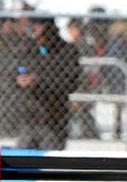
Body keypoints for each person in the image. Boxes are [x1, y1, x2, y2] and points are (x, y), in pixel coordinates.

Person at [14, 16, 82, 149]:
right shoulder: (27, 48)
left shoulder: (66, 51)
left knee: (48, 161)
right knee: (23, 161)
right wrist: (18, 80)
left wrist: (38, 81)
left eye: (40, 26)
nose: (35, 30)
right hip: (29, 117)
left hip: (53, 119)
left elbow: (70, 81)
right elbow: (12, 72)